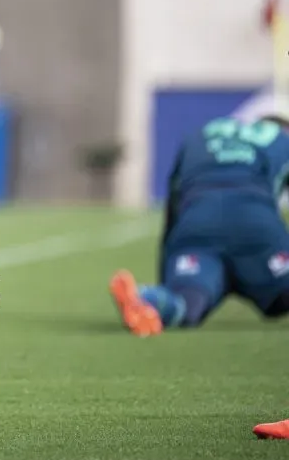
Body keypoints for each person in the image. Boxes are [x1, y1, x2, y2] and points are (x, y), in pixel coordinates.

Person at [109, 115, 289, 336]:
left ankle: (146, 298)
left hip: (197, 223)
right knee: (281, 295)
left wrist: (168, 277)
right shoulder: (281, 139)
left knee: (186, 301)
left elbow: (173, 207)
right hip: (256, 224)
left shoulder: (200, 136)